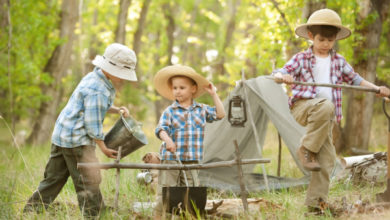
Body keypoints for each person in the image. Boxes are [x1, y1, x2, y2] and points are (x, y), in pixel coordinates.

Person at [273, 8, 390, 215]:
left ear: (335, 39)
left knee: (326, 161)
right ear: (311, 37)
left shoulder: (338, 61)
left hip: (325, 118)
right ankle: (306, 148)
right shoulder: (301, 58)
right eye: (321, 40)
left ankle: (315, 205)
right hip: (304, 108)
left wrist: (376, 89)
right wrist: (283, 76)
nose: (326, 44)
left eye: (330, 40)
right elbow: (281, 71)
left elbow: (355, 79)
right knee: (325, 105)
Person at [23, 43, 138, 217]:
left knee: (53, 179)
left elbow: (93, 106)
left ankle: (30, 211)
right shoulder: (98, 90)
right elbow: (92, 124)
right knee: (88, 180)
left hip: (62, 136)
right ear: (112, 70)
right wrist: (103, 147)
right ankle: (94, 214)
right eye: (122, 75)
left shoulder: (94, 78)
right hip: (78, 140)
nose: (123, 79)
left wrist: (116, 109)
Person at [152, 65, 225, 216]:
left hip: (192, 160)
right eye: (174, 88)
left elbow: (220, 114)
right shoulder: (170, 111)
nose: (177, 91)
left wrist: (214, 94)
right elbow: (160, 129)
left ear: (193, 89)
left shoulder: (202, 109)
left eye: (182, 87)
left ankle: (185, 216)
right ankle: (160, 216)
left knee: (189, 194)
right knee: (166, 192)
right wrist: (168, 140)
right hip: (171, 159)